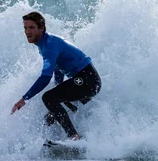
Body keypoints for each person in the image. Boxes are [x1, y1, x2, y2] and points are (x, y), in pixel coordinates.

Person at [11, 11, 101, 140]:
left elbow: (45, 77)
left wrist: (24, 99)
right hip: (81, 80)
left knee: (48, 98)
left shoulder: (50, 46)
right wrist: (59, 86)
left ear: (41, 28)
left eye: (31, 27)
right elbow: (58, 67)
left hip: (88, 80)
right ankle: (54, 142)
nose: (27, 31)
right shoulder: (45, 43)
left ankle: (74, 136)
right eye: (25, 28)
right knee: (50, 116)